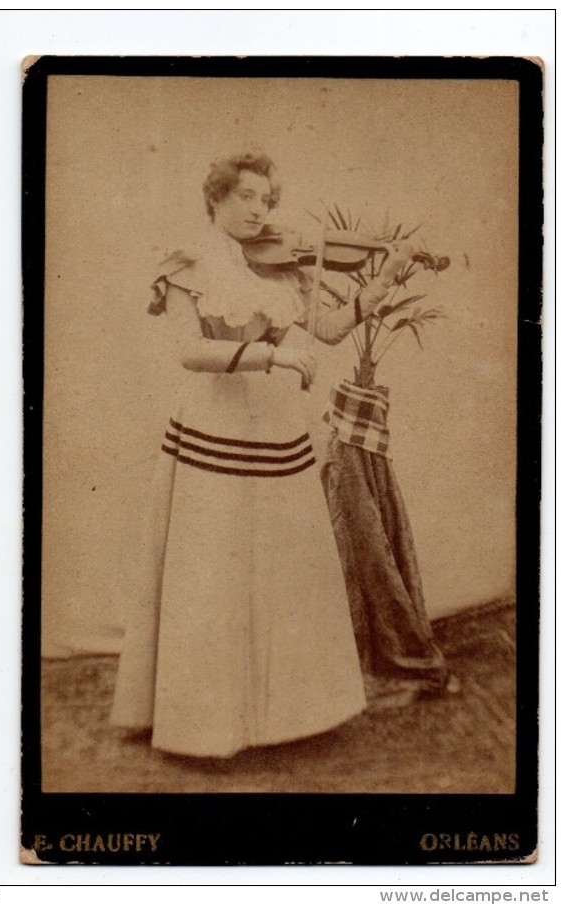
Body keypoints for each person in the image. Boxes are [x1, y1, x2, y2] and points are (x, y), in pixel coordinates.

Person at [110, 151, 413, 758]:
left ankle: (282, 720)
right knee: (213, 578)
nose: (258, 211)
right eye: (246, 197)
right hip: (213, 434)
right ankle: (206, 725)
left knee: (285, 573)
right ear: (216, 198)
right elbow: (190, 351)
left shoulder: (279, 270)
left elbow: (324, 331)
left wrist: (383, 282)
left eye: (266, 200)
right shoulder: (186, 263)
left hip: (276, 433)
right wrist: (269, 356)